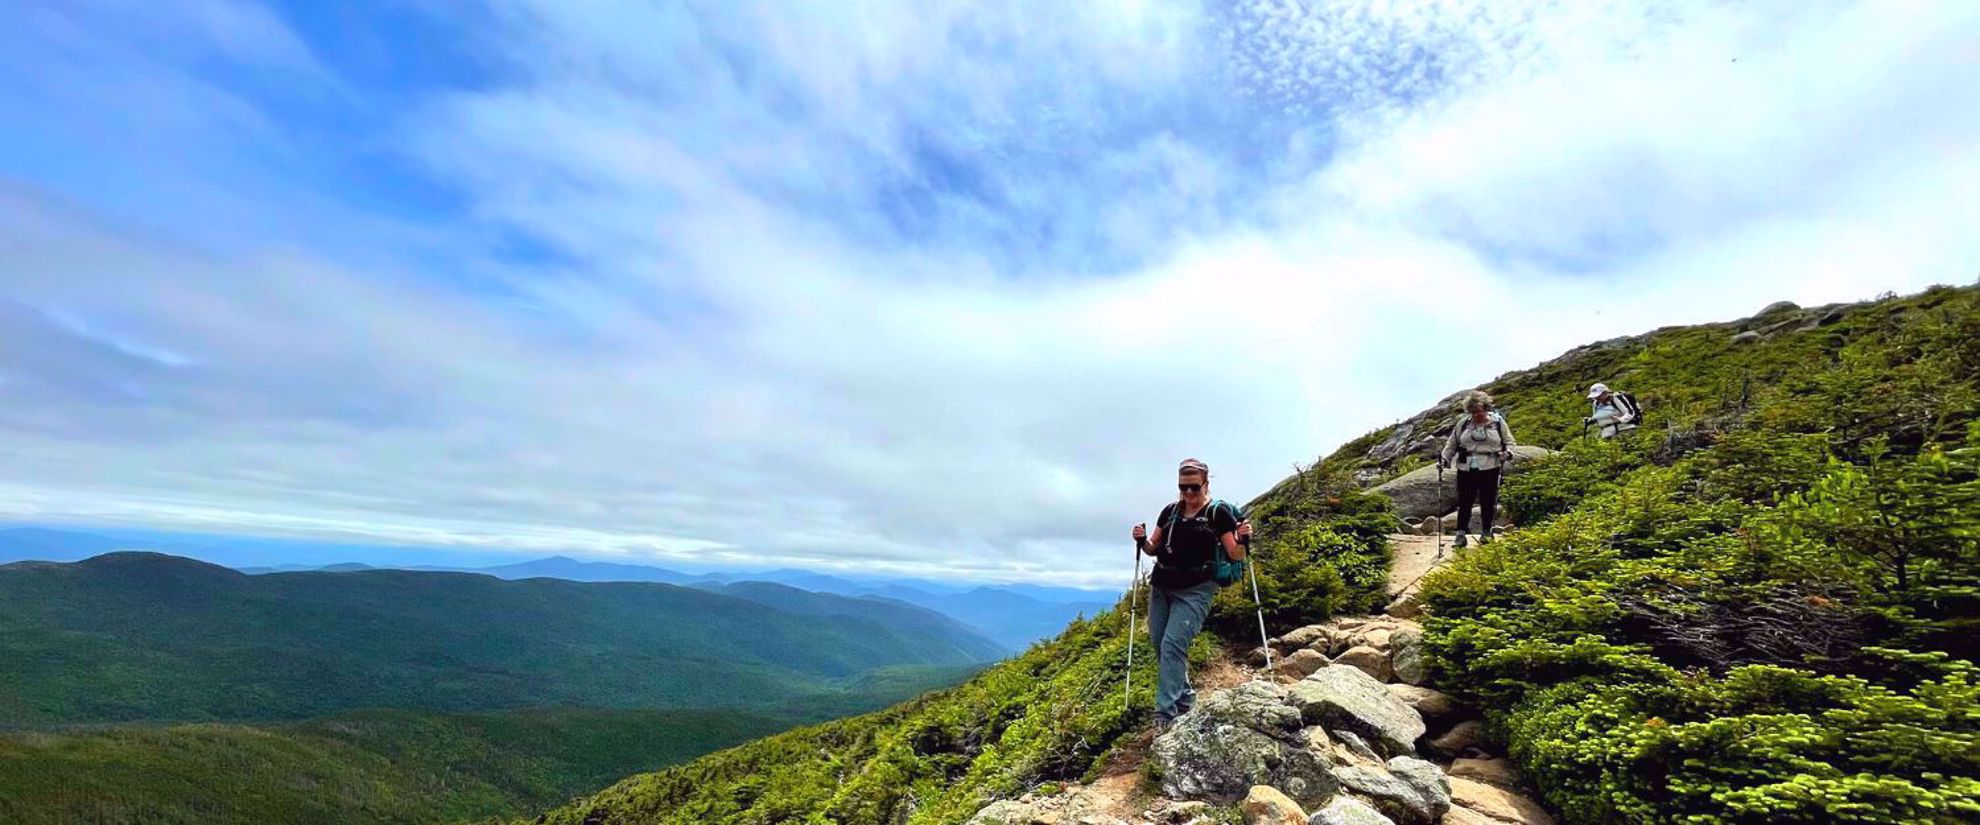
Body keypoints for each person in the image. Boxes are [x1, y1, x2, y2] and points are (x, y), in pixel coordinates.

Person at [1129, 458, 1252, 729]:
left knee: (1173, 646)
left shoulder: (1218, 514)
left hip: (1197, 589)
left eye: (1194, 488)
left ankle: (1165, 713)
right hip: (1162, 586)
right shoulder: (1170, 511)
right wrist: (1141, 539)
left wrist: (1243, 539)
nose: (1188, 494)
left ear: (1206, 484)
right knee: (1160, 645)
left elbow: (1235, 554)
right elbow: (1152, 549)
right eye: (1183, 488)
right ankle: (1185, 701)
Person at [1440, 391, 1515, 548]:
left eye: (1479, 412)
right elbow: (1452, 444)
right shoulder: (1463, 424)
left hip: (1490, 465)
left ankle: (1487, 532)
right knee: (1465, 501)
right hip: (1466, 466)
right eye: (1473, 413)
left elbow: (1509, 442)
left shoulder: (1498, 423)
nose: (1476, 416)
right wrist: (1444, 459)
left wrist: (1507, 453)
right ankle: (1460, 534)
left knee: (1488, 500)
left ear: (1486, 409)